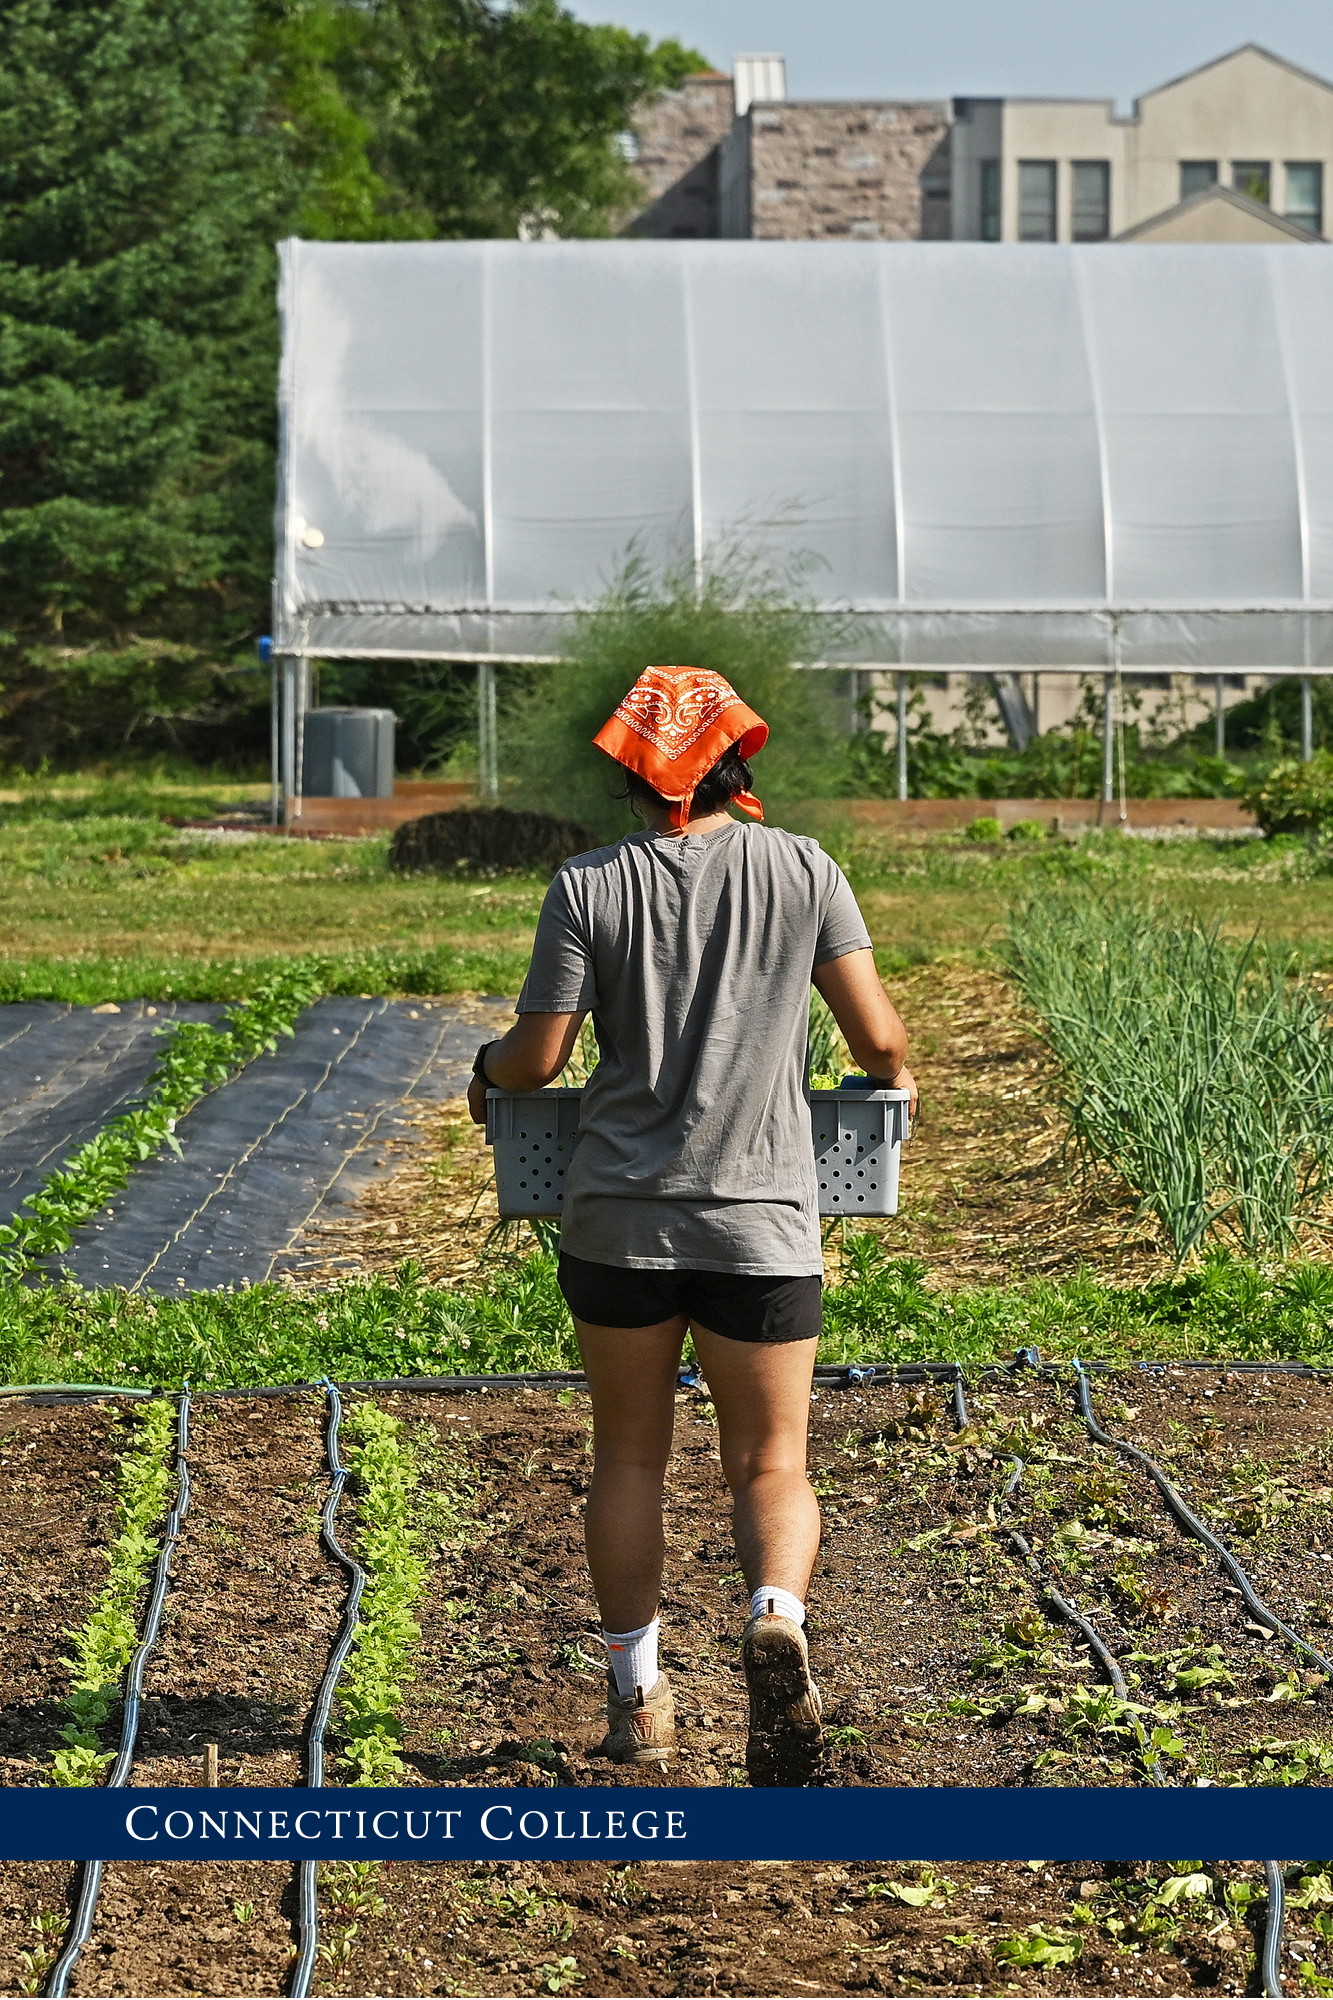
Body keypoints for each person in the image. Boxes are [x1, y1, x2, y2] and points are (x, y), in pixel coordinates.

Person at [468, 665, 916, 1786]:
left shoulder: (587, 885)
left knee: (626, 1453)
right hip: (762, 1221)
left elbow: (538, 1059)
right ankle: (775, 1616)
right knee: (771, 1457)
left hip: (617, 1219)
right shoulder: (803, 867)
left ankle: (640, 1700)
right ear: (736, 755)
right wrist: (898, 1077)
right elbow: (879, 1044)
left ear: (631, 765)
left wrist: (484, 1070)